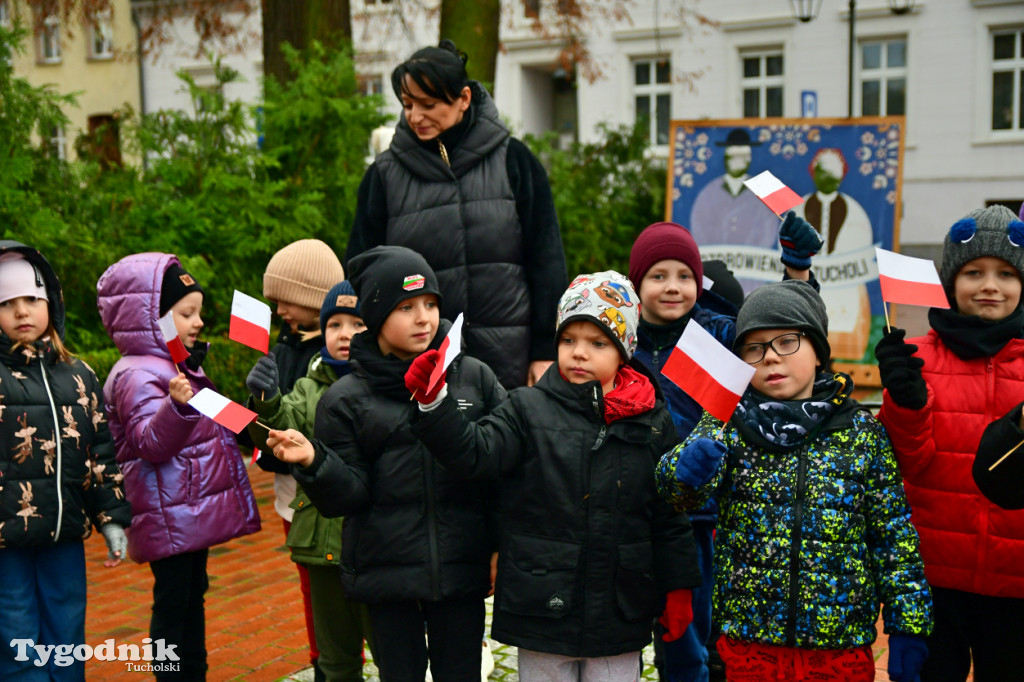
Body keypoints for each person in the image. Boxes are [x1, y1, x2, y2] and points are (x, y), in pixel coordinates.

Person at [403, 271, 702, 682]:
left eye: (598, 342)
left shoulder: (652, 421)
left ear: (624, 350)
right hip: (543, 603)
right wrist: (434, 405)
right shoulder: (526, 408)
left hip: (621, 606)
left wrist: (678, 586)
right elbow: (476, 453)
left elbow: (668, 515)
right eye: (568, 339)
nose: (579, 352)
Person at [657, 279, 933, 682]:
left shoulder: (861, 433)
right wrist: (685, 471)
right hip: (751, 645)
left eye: (786, 341)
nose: (770, 358)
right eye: (753, 348)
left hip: (839, 650)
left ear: (818, 351)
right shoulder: (726, 421)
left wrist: (909, 625)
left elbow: (894, 538)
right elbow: (675, 493)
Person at [267, 246, 506, 682]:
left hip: (460, 571)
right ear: (376, 316)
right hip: (386, 577)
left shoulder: (474, 376)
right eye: (406, 307)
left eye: (431, 304)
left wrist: (498, 546)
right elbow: (350, 495)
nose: (424, 318)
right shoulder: (346, 399)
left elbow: (498, 466)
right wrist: (316, 461)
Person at [629, 215, 823, 682]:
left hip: (702, 517)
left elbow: (782, 328)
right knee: (626, 633)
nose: (673, 287)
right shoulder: (622, 338)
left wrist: (797, 273)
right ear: (637, 285)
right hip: (631, 513)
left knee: (691, 639)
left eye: (684, 276)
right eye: (658, 276)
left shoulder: (719, 333)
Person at [347, 38, 568, 389]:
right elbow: (363, 271)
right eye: (407, 105)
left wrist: (546, 350)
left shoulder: (516, 161)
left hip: (511, 364)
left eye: (428, 104)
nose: (415, 117)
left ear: (464, 98)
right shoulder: (383, 176)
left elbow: (548, 263)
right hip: (416, 371)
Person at [875, 204, 1024, 680]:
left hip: (1016, 582)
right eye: (974, 271)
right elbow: (907, 465)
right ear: (949, 280)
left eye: (1006, 273)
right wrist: (905, 404)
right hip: (933, 578)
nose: (989, 285)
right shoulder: (915, 357)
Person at [97, 253, 262, 680]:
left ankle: (194, 674)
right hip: (165, 512)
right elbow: (151, 443)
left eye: (199, 312)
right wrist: (176, 405)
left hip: (187, 510)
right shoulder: (135, 374)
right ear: (149, 317)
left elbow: (220, 418)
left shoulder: (181, 365)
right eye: (186, 313)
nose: (199, 322)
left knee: (193, 595)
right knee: (172, 601)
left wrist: (262, 432)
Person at [0, 242, 131, 680]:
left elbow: (99, 452)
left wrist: (110, 516)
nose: (22, 312)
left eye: (31, 300)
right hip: (6, 542)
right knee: (16, 638)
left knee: (66, 635)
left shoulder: (79, 374)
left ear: (50, 304)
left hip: (63, 535)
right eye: (7, 303)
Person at [245, 281, 373, 682]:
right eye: (334, 324)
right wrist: (266, 399)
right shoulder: (307, 387)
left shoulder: (389, 384)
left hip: (377, 542)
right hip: (323, 542)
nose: (345, 333)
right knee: (335, 659)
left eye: (357, 324)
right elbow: (276, 428)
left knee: (393, 651)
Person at [254, 238, 346, 680]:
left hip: (323, 482)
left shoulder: (329, 358)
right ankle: (322, 659)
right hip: (287, 483)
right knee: (310, 580)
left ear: (312, 295)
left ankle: (343, 653)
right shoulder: (282, 344)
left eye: (284, 298)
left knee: (334, 583)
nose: (278, 310)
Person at [792, 148, 874, 361]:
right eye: (823, 173)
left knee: (845, 321)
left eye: (832, 175)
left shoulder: (853, 209)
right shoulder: (800, 208)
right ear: (815, 174)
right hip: (811, 281)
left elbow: (861, 238)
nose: (828, 179)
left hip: (844, 282)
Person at [688, 128, 781, 293]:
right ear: (726, 158)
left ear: (749, 158)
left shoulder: (763, 190)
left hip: (753, 278)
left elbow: (769, 229)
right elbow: (699, 228)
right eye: (733, 157)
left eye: (743, 157)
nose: (738, 162)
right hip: (716, 280)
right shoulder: (709, 193)